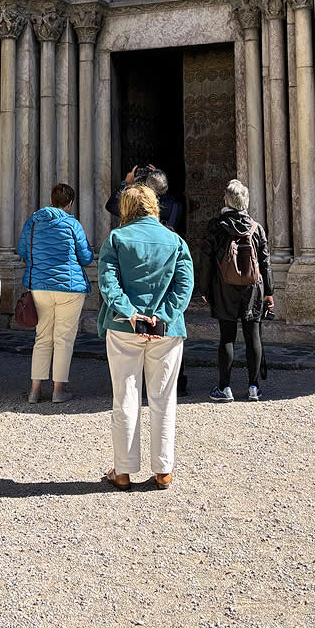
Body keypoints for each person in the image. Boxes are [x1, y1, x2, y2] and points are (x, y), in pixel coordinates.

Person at [97, 184, 194, 491]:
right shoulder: (175, 241)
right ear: (155, 206)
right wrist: (162, 316)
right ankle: (164, 470)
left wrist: (131, 313)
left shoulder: (116, 238)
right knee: (164, 398)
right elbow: (184, 286)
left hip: (125, 328)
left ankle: (123, 472)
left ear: (125, 207)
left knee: (124, 397)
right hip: (166, 332)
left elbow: (107, 282)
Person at [198, 179, 274, 403]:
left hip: (224, 287)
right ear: (245, 202)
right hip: (253, 288)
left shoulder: (216, 226)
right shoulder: (256, 227)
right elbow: (265, 262)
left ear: (226, 201)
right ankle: (253, 388)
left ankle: (225, 388)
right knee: (253, 336)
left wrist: (204, 288)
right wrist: (269, 291)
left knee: (227, 337)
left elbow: (206, 261)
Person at [17, 182, 94, 405]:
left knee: (42, 337)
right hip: (69, 288)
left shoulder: (33, 222)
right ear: (69, 204)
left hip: (39, 285)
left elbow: (22, 250)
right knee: (63, 339)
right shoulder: (72, 224)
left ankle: (34, 390)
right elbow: (86, 257)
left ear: (51, 200)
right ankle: (58, 391)